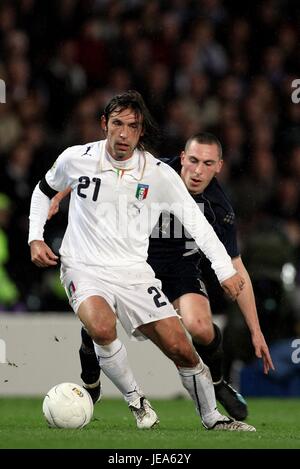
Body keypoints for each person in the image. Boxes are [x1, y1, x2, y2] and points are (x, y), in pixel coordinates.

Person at [29, 90, 255, 432]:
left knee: (182, 348)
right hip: (83, 266)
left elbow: (198, 224)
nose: (123, 134)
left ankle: (213, 419)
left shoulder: (159, 174)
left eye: (132, 126)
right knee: (102, 327)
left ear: (140, 131)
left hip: (135, 274)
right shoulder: (76, 158)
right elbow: (43, 189)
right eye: (117, 124)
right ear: (104, 124)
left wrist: (225, 269)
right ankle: (137, 402)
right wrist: (35, 236)